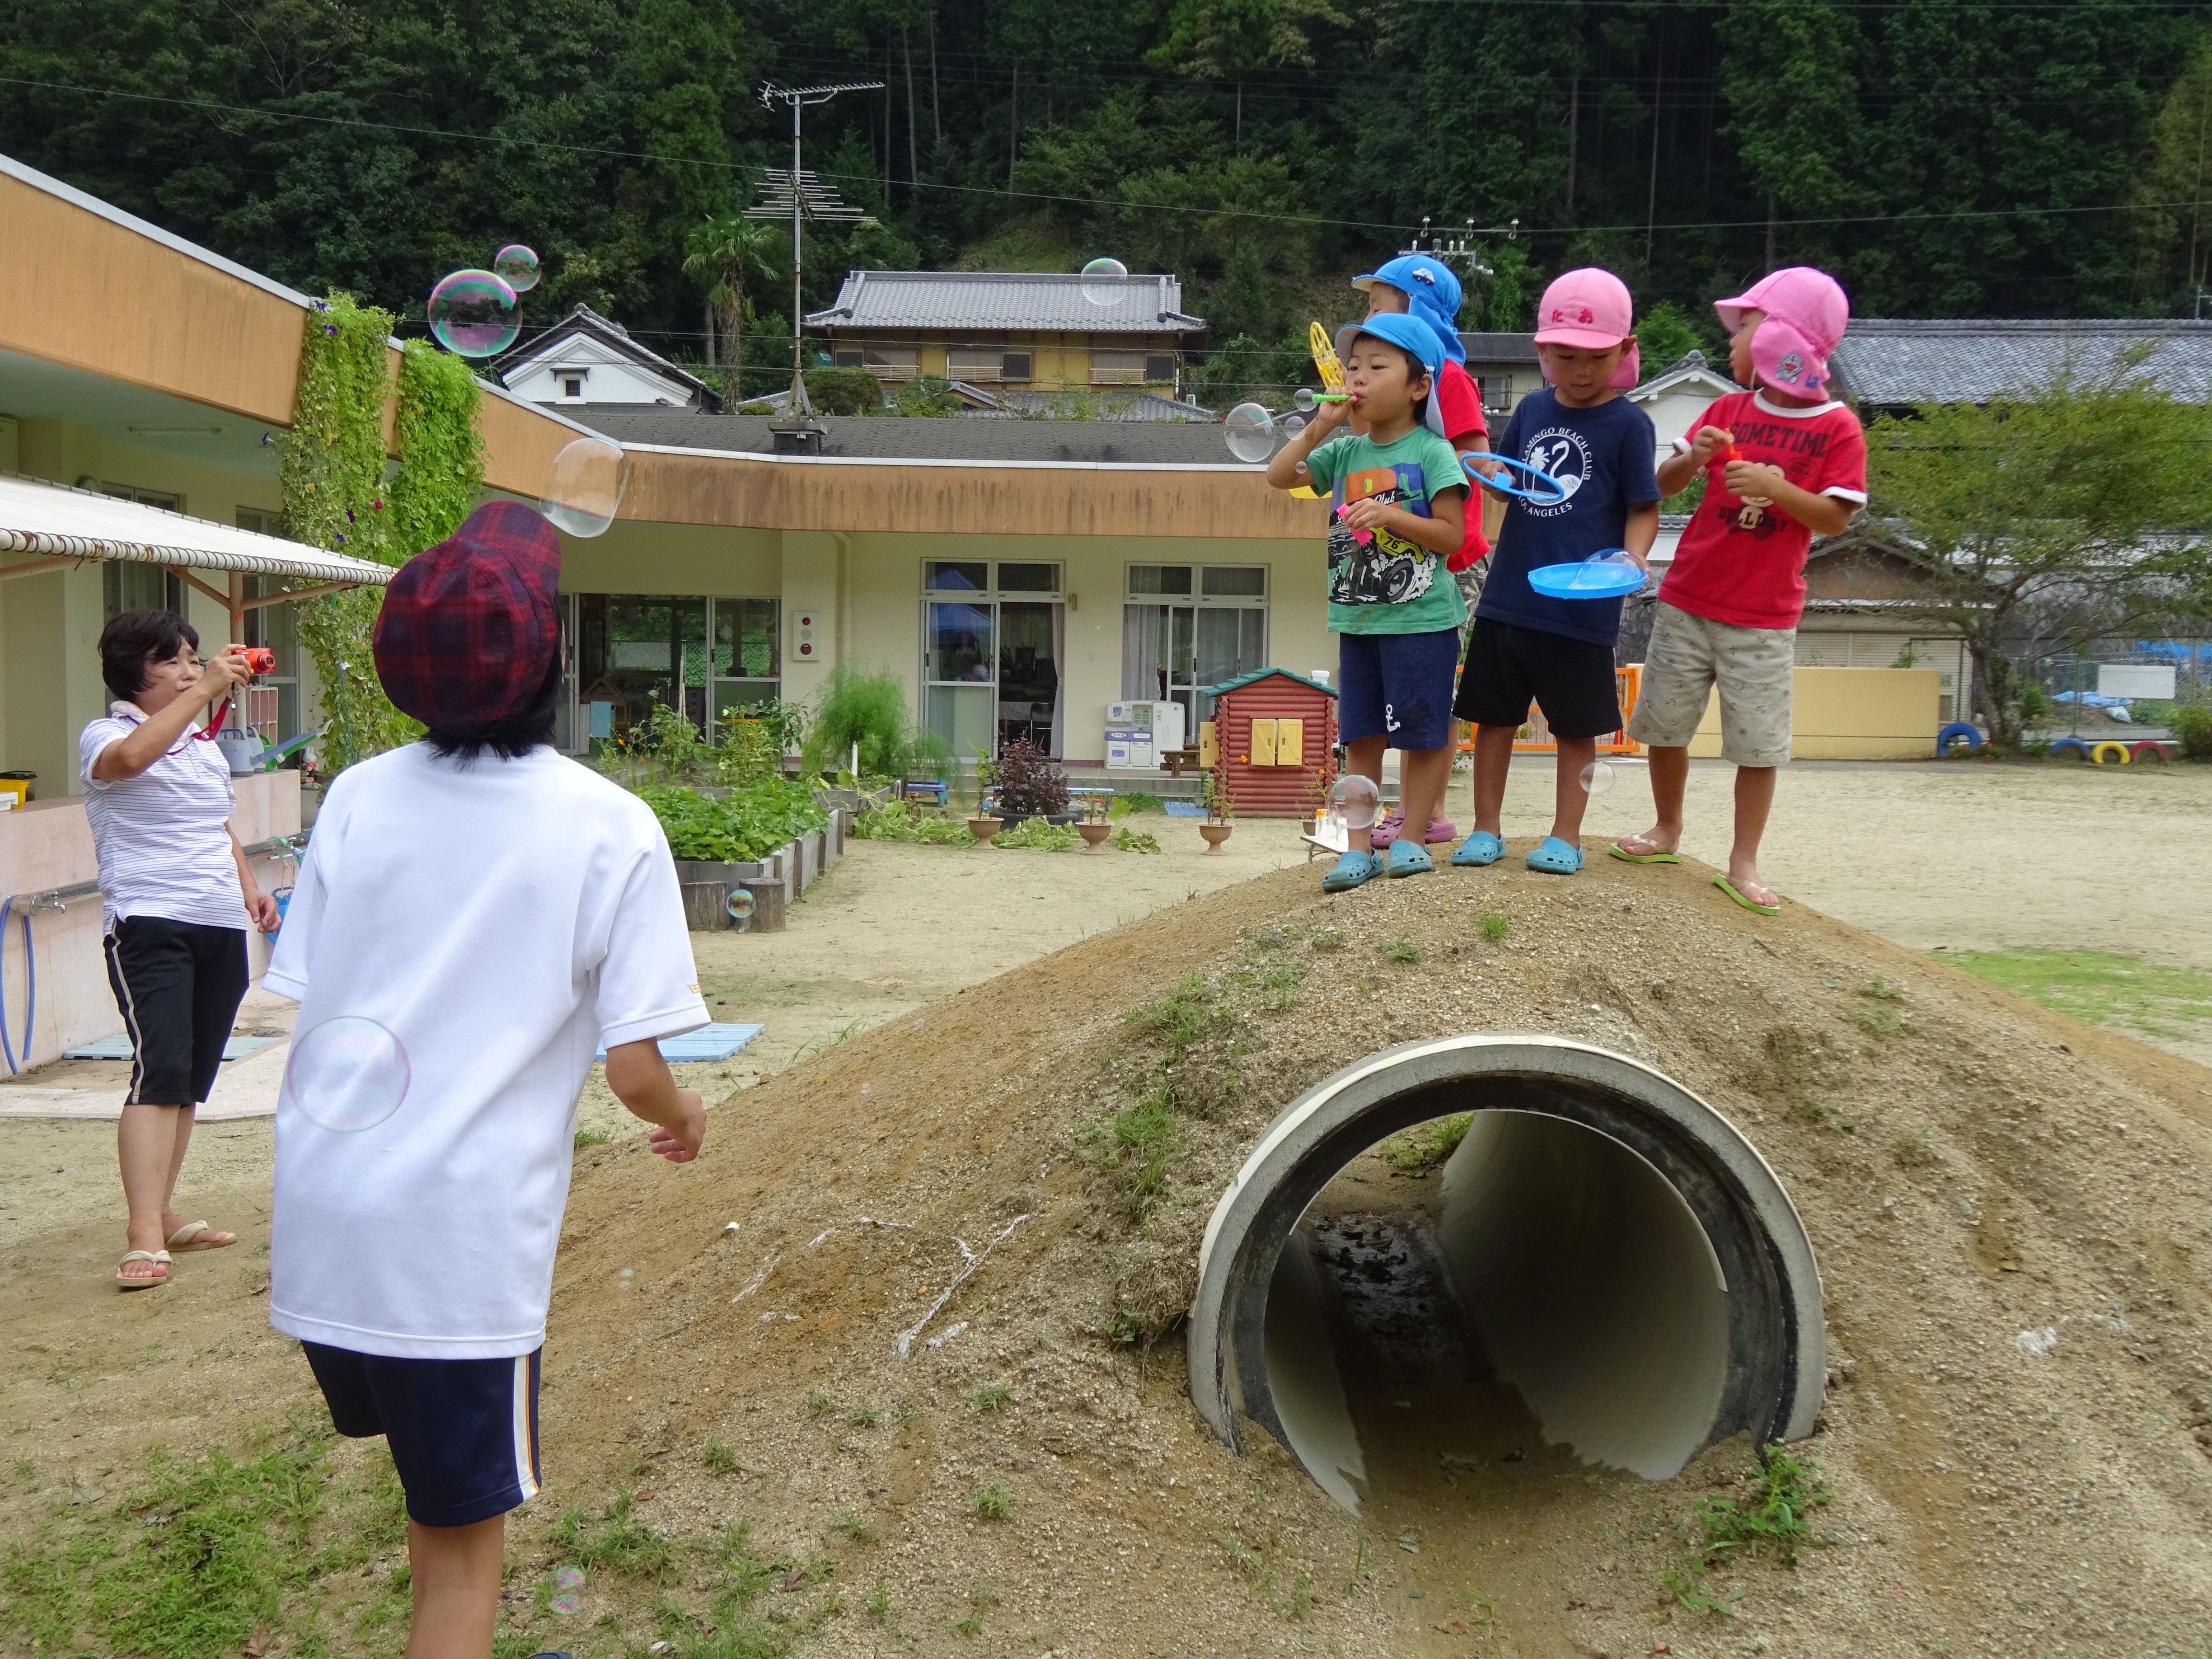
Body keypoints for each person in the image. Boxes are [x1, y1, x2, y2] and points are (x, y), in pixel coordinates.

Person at [263, 501, 710, 1659]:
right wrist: (685, 1113)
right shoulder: (611, 825)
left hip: (329, 1219)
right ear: (554, 663)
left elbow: (310, 982)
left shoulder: (357, 793)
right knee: (464, 1558)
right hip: (451, 1255)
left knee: (438, 1504)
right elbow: (634, 1066)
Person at [1613, 266, 1867, 914]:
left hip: (1764, 616)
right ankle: (1667, 828)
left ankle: (1743, 860)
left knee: (1758, 745)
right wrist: (1693, 457)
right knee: (1664, 725)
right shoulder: (1728, 407)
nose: (1733, 338)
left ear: (1785, 339)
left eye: (1747, 325)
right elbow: (1666, 486)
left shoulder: (1839, 428)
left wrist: (1778, 489)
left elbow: (1836, 517)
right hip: (1688, 596)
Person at [81, 609, 282, 1289]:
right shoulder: (108, 733)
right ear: (136, 673)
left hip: (217, 920)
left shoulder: (198, 741)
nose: (193, 670)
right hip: (149, 920)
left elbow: (212, 823)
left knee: (191, 1076)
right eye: (175, 660)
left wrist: (251, 886)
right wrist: (203, 695)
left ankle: (163, 1215)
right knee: (158, 1069)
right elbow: (131, 764)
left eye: (196, 659)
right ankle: (142, 1234)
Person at [1450, 268, 1660, 876]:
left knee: (1577, 728)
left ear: (1624, 351)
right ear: (1542, 352)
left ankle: (1565, 836)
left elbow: (1642, 509)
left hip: (1582, 605)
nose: (1581, 370)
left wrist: (1634, 557)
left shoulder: (1630, 425)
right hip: (1508, 596)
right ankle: (1485, 829)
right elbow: (1510, 491)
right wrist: (1494, 479)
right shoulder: (1533, 408)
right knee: (1492, 719)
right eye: (1565, 356)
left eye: (1596, 357)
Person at [1266, 312, 1469, 890]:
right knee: (1361, 736)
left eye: (1377, 367)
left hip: (1423, 619)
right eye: (1352, 366)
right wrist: (1316, 428)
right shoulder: (1346, 453)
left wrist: (1390, 516)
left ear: (1417, 386)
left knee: (1424, 734)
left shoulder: (1433, 452)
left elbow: (1452, 536)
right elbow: (1280, 477)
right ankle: (1355, 850)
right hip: (1358, 617)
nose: (1357, 377)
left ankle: (1409, 841)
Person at [1348, 254, 1492, 849]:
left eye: (1378, 302)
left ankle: (1425, 813)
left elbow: (1476, 453)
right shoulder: (1388, 390)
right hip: (1396, 546)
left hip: (1446, 549)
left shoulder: (1448, 377)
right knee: (1400, 690)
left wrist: (1417, 485)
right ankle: (1412, 813)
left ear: (1415, 307)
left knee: (1427, 689)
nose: (1368, 314)